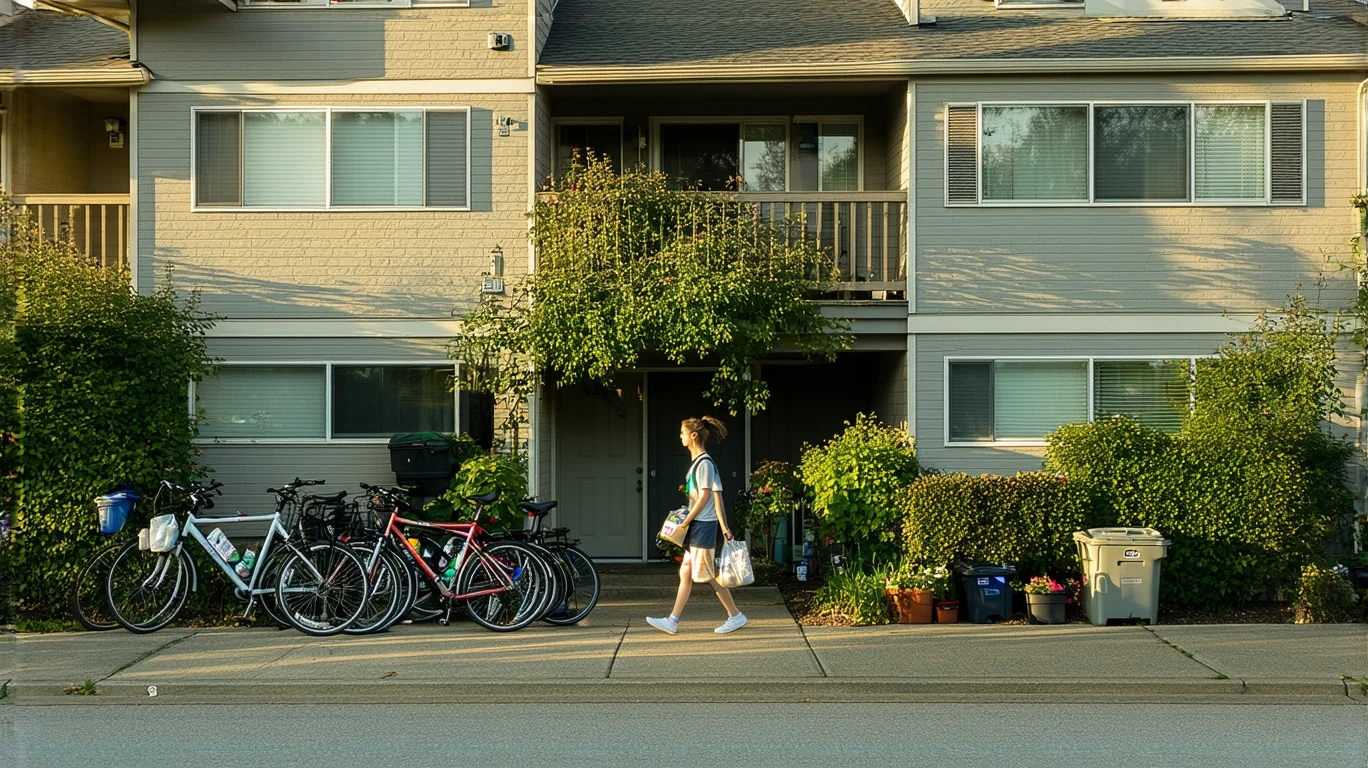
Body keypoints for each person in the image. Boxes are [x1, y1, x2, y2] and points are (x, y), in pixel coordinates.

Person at [647, 416, 748, 635]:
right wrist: (725, 526)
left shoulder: (703, 463)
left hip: (702, 525)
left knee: (708, 574)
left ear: (693, 435)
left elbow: (704, 497)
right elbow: (717, 496)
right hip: (703, 525)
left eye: (682, 433)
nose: (680, 436)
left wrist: (685, 521)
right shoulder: (703, 463)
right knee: (686, 572)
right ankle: (672, 620)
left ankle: (735, 615)